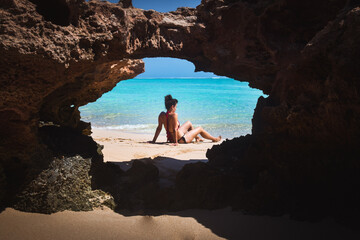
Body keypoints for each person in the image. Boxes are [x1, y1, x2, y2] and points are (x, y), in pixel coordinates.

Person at [149, 95, 221, 145]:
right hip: (181, 139)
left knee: (189, 123)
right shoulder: (174, 115)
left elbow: (159, 128)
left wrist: (153, 141)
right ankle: (214, 139)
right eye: (176, 107)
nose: (176, 108)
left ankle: (197, 138)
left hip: (172, 138)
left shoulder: (162, 115)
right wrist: (176, 142)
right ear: (172, 107)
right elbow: (174, 129)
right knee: (200, 129)